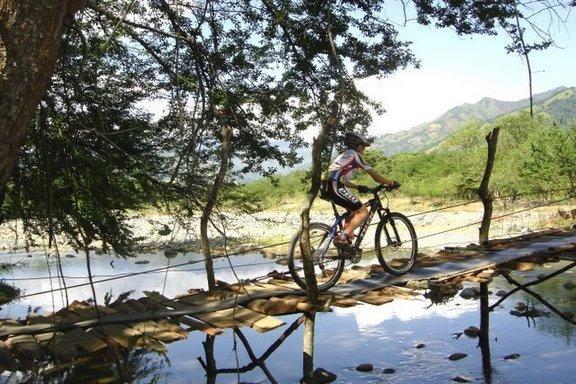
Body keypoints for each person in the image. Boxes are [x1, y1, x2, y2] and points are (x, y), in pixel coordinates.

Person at [321, 132, 399, 248]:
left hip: (325, 186)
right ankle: (343, 237)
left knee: (352, 211)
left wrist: (358, 187)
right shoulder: (355, 155)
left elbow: (342, 179)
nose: (364, 150)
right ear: (359, 146)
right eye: (363, 147)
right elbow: (375, 176)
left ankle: (347, 238)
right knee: (363, 212)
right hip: (335, 186)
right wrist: (390, 182)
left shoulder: (342, 156)